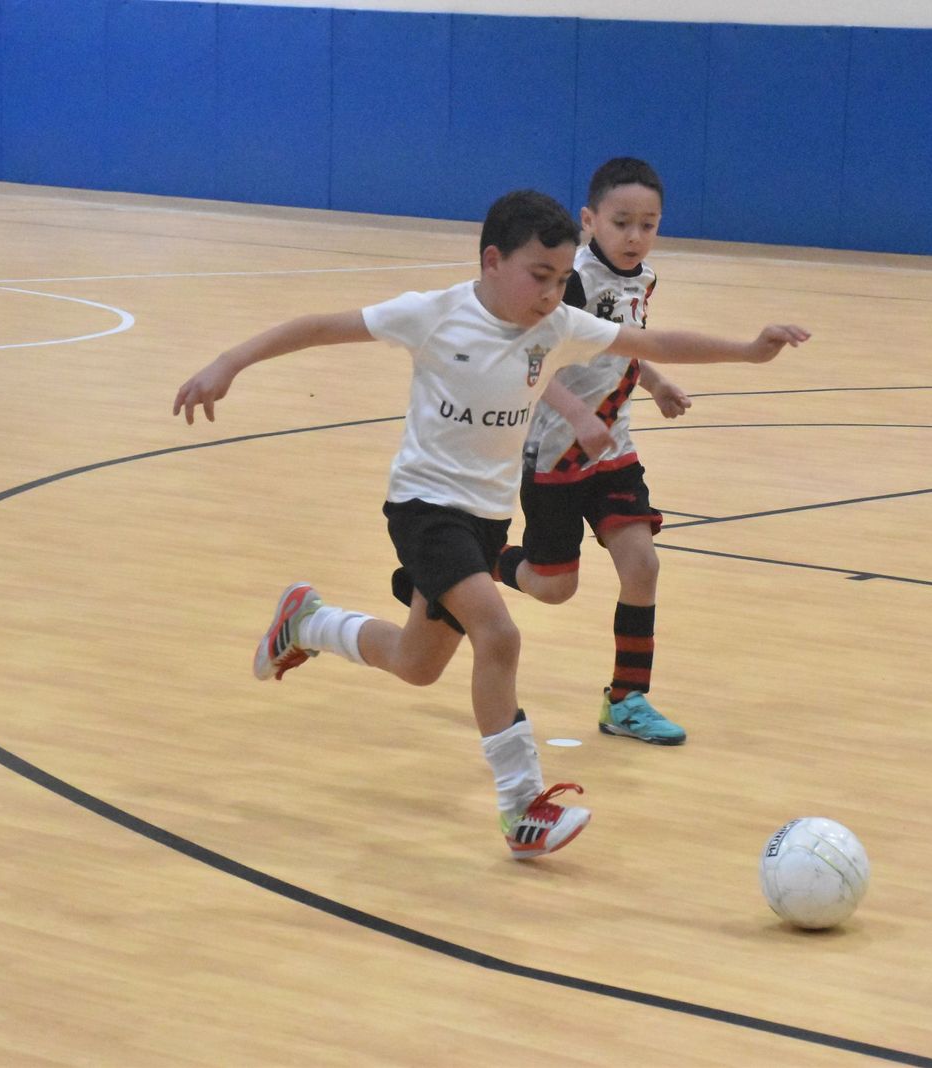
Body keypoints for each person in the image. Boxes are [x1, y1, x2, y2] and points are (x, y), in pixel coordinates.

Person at [173, 189, 809, 860]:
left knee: (416, 665)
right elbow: (318, 326)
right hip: (424, 508)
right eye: (540, 276)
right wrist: (228, 363)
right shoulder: (433, 314)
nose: (552, 292)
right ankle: (521, 809)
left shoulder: (555, 327)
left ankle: (306, 622)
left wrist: (747, 350)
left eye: (563, 279)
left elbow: (651, 341)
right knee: (498, 635)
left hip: (485, 519)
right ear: (492, 260)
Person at [496, 158, 692, 745]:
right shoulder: (569, 282)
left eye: (648, 224)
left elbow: (620, 343)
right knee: (554, 587)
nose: (635, 236)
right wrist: (578, 413)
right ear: (589, 220)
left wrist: (653, 382)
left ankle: (626, 700)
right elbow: (525, 358)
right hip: (556, 452)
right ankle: (471, 564)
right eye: (622, 222)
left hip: (614, 451)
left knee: (643, 565)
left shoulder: (643, 279)